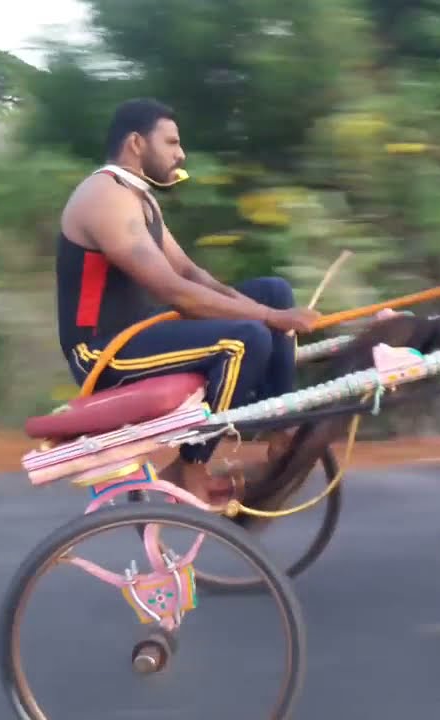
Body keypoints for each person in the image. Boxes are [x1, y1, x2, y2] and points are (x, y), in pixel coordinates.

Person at [54, 97, 321, 503]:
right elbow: (175, 293)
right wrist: (270, 318)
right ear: (136, 143)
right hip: (100, 352)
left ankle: (278, 427)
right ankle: (189, 464)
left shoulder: (138, 196)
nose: (181, 154)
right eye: (172, 142)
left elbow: (191, 273)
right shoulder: (104, 197)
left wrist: (270, 308)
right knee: (247, 338)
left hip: (140, 330)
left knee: (274, 289)